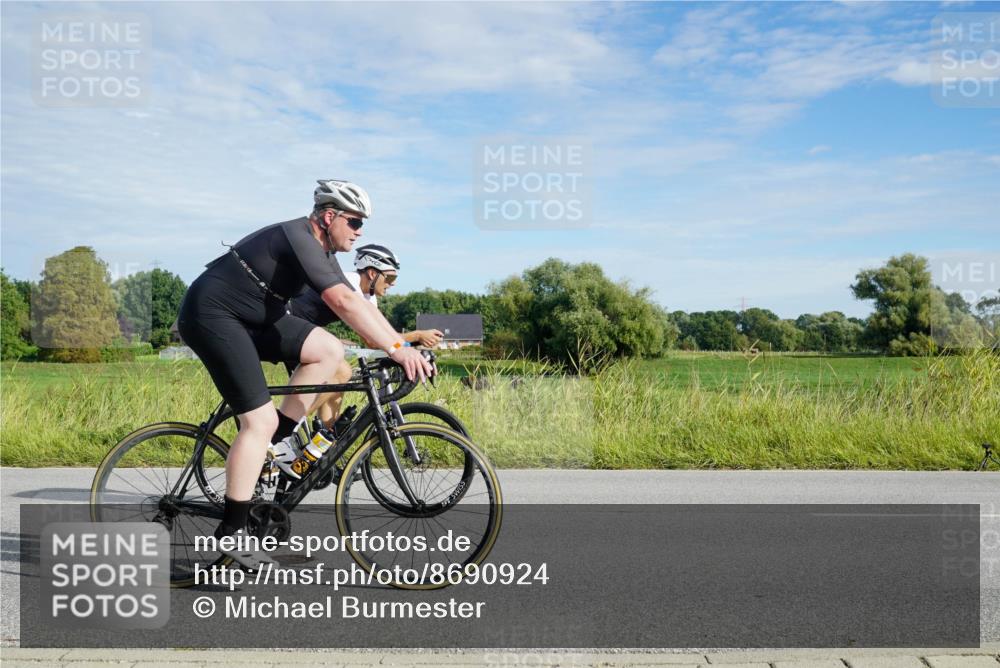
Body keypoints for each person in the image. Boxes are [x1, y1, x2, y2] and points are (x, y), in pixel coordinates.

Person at [177, 179, 433, 569]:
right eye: (355, 221)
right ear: (329, 217)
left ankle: (275, 447)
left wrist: (402, 346)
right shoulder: (297, 236)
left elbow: (366, 310)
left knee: (329, 350)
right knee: (256, 422)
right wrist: (397, 349)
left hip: (257, 317)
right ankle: (232, 530)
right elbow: (345, 302)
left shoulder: (326, 252)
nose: (360, 231)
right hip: (214, 315)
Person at [283, 244, 444, 429]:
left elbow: (378, 339)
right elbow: (372, 339)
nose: (393, 283)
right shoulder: (349, 282)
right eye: (390, 277)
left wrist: (410, 345)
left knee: (337, 382)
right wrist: (416, 335)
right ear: (372, 273)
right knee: (341, 370)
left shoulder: (368, 297)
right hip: (287, 326)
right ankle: (285, 430)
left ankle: (325, 446)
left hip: (305, 332)